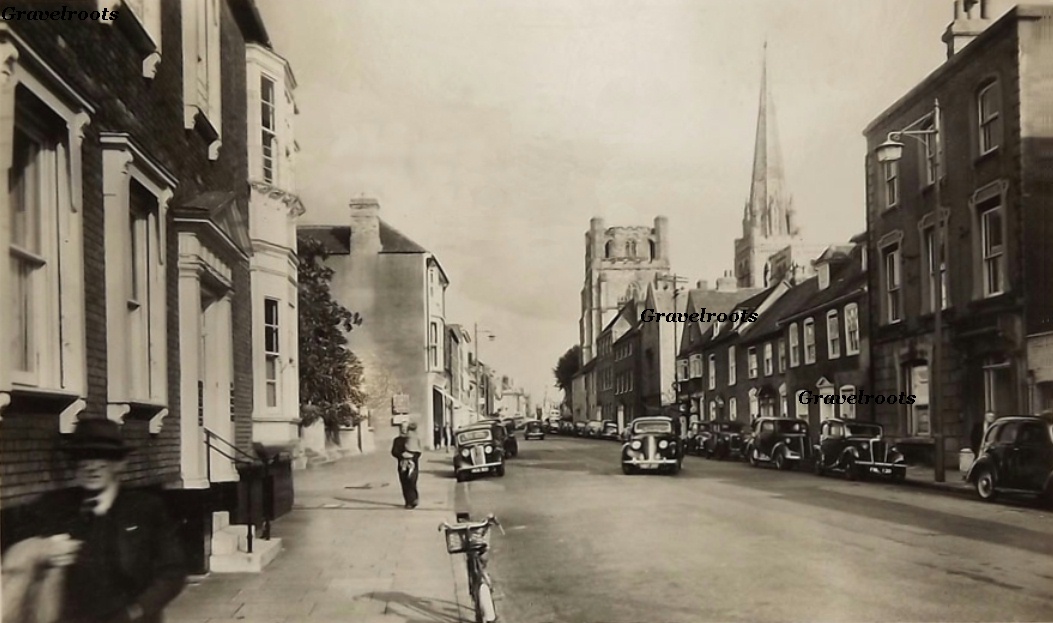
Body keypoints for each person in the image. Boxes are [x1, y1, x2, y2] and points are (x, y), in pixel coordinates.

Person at [2, 419, 187, 623]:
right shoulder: (51, 507)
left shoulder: (145, 509)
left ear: (120, 463)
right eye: (84, 457)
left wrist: (137, 611)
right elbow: (13, 553)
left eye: (102, 457)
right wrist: (41, 549)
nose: (92, 467)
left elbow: (172, 571)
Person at [391, 422, 422, 508]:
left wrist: (413, 456)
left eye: (405, 428)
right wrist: (401, 455)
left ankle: (414, 498)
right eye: (402, 428)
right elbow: (394, 452)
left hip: (413, 465)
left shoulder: (414, 439)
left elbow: (418, 452)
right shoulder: (397, 440)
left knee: (412, 481)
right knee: (404, 482)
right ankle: (408, 502)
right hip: (402, 465)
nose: (404, 429)